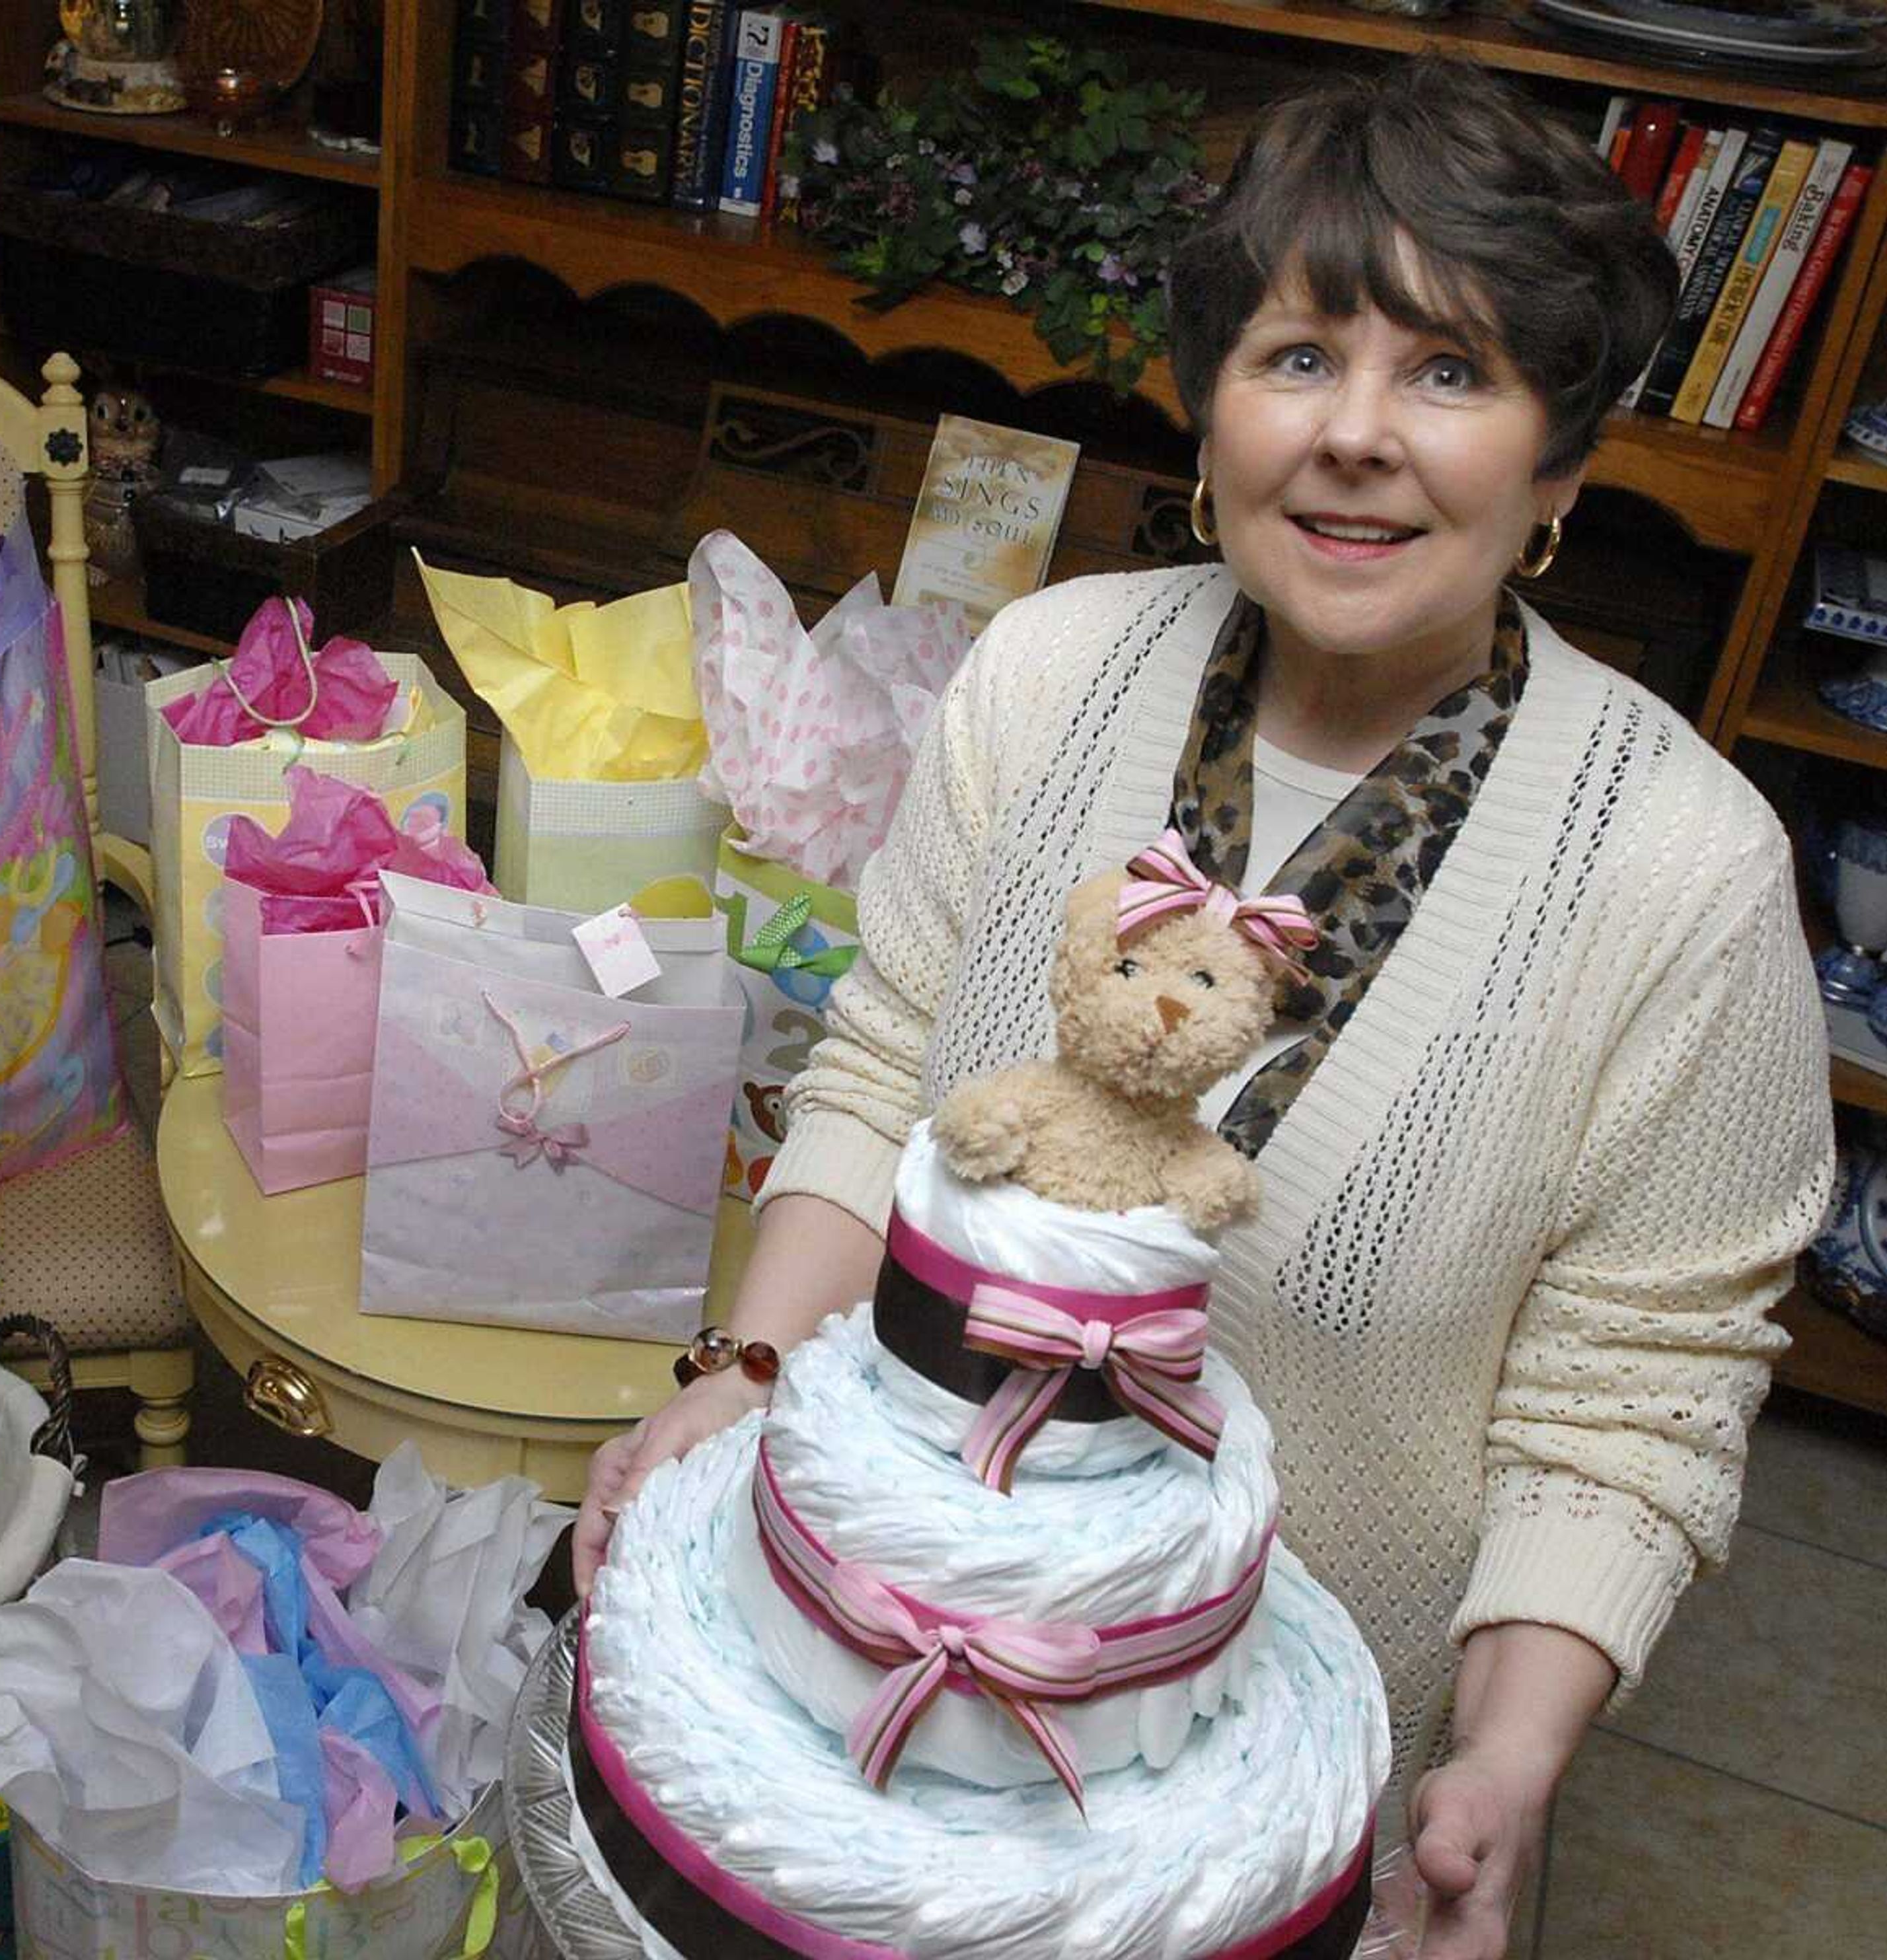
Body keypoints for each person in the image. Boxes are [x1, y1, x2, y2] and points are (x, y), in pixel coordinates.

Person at [574, 55, 1833, 1960]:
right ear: (1213, 407)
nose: (1356, 437)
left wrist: (1499, 1765)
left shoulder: (1681, 868)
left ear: (1562, 461)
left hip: (1292, 1798)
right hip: (872, 1757)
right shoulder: (1043, 671)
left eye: (1453, 374)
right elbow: (884, 1065)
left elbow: (1634, 1403)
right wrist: (740, 1381)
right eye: (1301, 356)